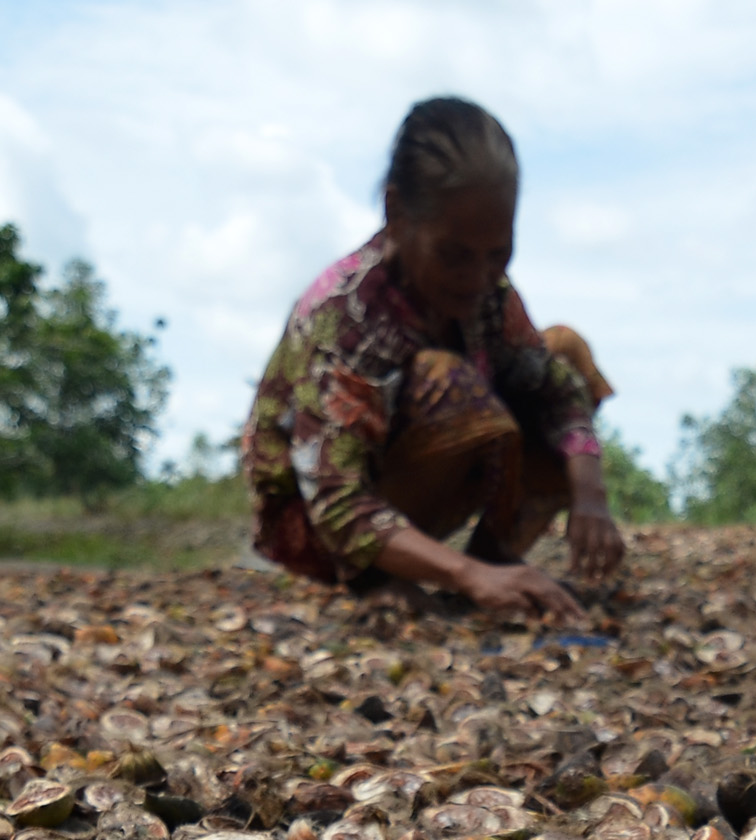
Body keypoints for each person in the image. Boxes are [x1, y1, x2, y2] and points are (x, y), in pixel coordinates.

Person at [246, 97, 622, 620]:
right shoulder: (345, 314)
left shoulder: (490, 296)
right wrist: (466, 578)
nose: (479, 277)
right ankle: (392, 576)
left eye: (498, 254)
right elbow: (335, 500)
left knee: (562, 349)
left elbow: (556, 388)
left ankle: (496, 560)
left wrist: (590, 495)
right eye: (455, 255)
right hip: (317, 525)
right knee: (448, 381)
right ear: (397, 213)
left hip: (413, 497)